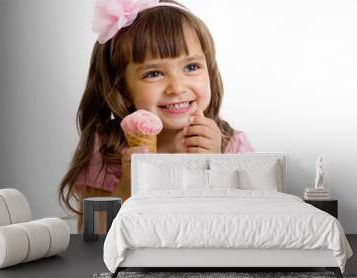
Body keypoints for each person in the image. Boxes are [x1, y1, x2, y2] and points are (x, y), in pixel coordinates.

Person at [58, 0, 254, 233]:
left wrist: (217, 168)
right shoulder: (107, 150)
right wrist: (127, 188)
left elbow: (251, 228)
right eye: (154, 73)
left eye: (191, 67)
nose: (177, 87)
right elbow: (92, 238)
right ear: (123, 89)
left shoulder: (230, 145)